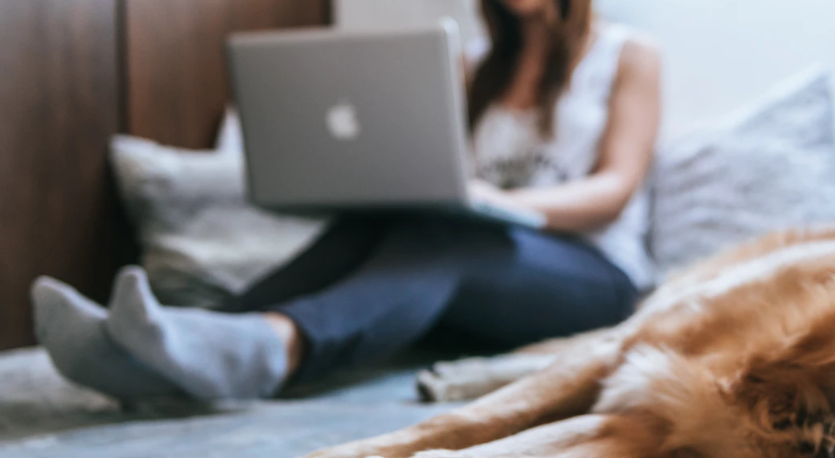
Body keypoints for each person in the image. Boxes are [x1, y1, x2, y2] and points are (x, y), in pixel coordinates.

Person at [31, 0, 661, 401]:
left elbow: (615, 189)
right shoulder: (473, 65)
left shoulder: (627, 53)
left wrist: (500, 200)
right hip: (481, 259)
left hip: (592, 276)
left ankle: (271, 348)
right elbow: (435, 170)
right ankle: (179, 344)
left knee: (449, 238)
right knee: (394, 218)